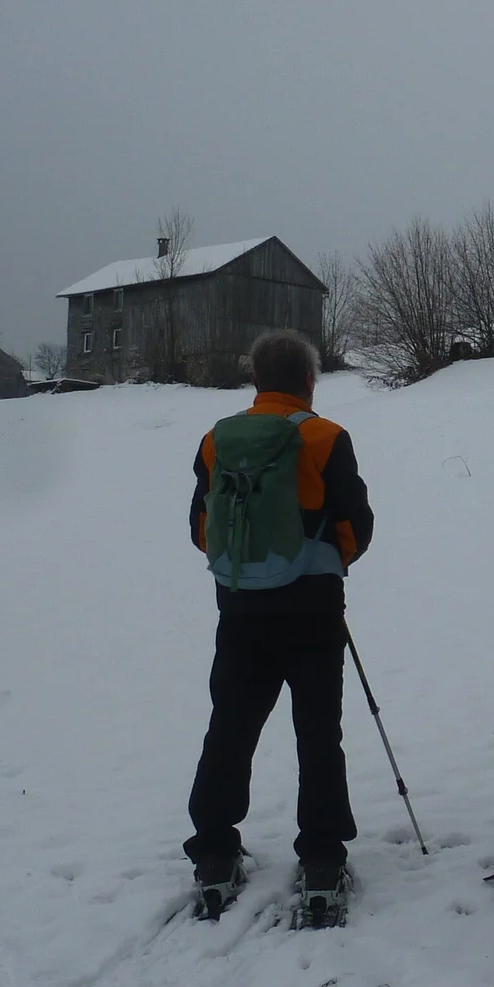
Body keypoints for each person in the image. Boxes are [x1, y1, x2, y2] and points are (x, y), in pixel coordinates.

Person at [184, 330, 374, 920]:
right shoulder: (325, 438)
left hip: (240, 606)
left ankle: (214, 852)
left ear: (258, 380)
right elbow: (358, 525)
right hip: (313, 609)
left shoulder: (218, 440)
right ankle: (321, 857)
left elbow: (200, 525)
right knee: (318, 731)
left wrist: (248, 569)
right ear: (308, 381)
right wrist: (324, 563)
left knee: (231, 726)